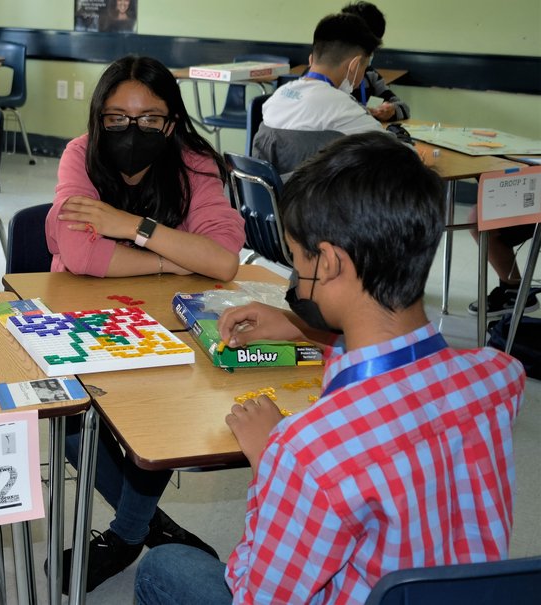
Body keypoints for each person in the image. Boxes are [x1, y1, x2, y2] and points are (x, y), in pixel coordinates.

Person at [133, 132, 525, 605]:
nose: (296, 279)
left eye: (298, 261)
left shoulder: (308, 454)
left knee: (164, 566)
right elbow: (398, 377)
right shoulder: (498, 376)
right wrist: (305, 329)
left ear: (332, 263)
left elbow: (258, 597)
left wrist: (271, 460)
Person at [45, 55, 245, 594]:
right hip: (80, 317)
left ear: (172, 123)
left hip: (166, 328)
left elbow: (224, 260)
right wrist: (173, 257)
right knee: (67, 422)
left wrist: (130, 225)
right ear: (98, 117)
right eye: (117, 117)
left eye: (150, 119)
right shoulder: (80, 154)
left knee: (154, 423)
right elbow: (79, 253)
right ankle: (147, 524)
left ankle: (127, 533)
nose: (133, 131)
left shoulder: (195, 163)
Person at [255, 12, 383, 174]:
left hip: (270, 197)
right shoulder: (342, 107)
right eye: (364, 67)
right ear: (354, 65)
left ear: (311, 59)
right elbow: (393, 150)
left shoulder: (277, 96)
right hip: (317, 197)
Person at [341, 1, 411, 122]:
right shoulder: (329, 79)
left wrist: (392, 110)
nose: (371, 53)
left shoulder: (370, 75)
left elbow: (404, 107)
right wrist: (367, 112)